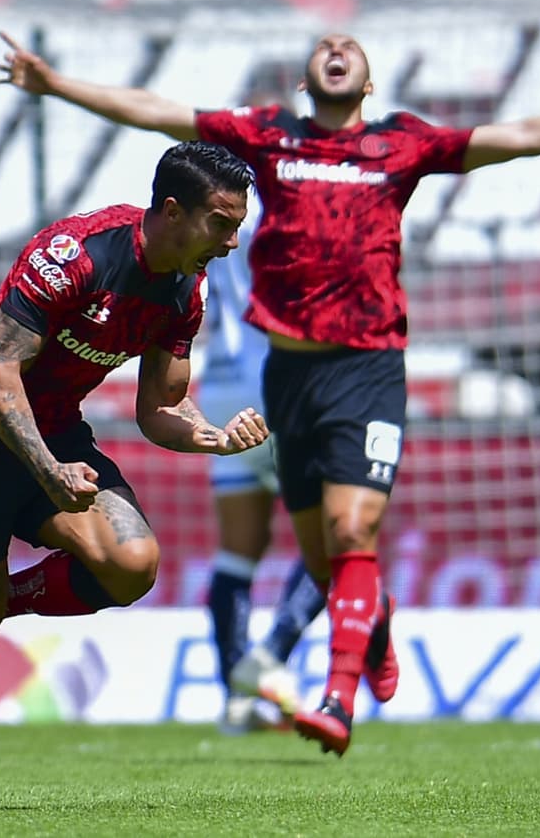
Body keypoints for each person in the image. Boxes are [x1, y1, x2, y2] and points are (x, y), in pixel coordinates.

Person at [0, 30, 540, 756]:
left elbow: (517, 134)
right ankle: (353, 624)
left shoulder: (401, 146)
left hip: (366, 370)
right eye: (322, 42)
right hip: (277, 378)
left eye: (350, 43)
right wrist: (57, 85)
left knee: (349, 533)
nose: (335, 42)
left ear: (368, 84)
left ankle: (328, 689)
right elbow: (156, 111)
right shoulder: (261, 142)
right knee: (306, 549)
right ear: (303, 84)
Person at [0, 140, 269, 811]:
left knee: (132, 562)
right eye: (221, 223)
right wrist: (48, 471)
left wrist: (215, 438)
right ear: (172, 211)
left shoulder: (184, 291)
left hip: (54, 430)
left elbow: (159, 407)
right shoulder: (75, 256)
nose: (231, 242)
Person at [199, 215, 325, 735]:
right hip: (277, 380)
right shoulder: (290, 200)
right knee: (339, 536)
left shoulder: (217, 207)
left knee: (237, 550)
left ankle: (235, 699)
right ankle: (269, 657)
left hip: (222, 381)